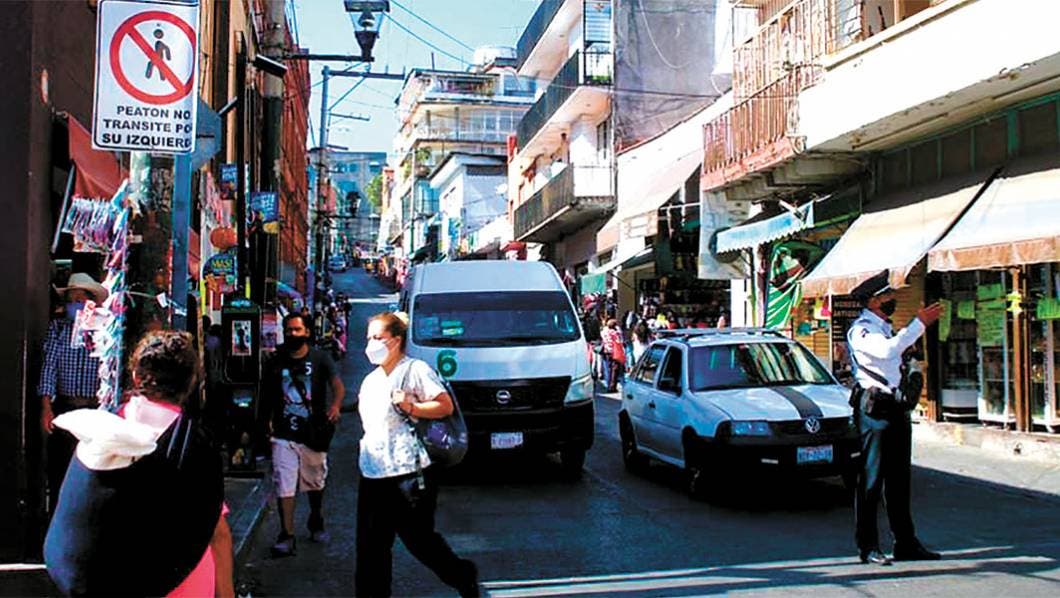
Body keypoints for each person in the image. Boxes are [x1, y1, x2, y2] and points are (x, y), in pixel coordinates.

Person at [44, 331, 232, 597]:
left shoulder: (103, 427)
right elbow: (217, 532)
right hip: (175, 584)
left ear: (135, 376)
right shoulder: (191, 444)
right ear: (191, 382)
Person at [355, 312, 479, 597]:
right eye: (368, 338)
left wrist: (411, 406)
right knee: (370, 548)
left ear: (396, 341)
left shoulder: (415, 370)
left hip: (408, 474)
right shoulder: (371, 380)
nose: (371, 344)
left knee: (419, 541)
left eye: (378, 338)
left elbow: (445, 406)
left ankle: (461, 575)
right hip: (373, 473)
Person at [846, 270, 943, 566]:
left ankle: (906, 542)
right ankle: (868, 545)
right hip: (874, 411)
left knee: (900, 480)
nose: (892, 300)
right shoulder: (861, 330)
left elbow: (896, 355)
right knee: (872, 479)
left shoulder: (887, 328)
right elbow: (887, 352)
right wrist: (919, 324)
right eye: (887, 296)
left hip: (896, 407)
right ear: (873, 301)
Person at [262, 313, 345, 556]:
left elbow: (337, 384)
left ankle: (315, 518)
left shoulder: (320, 358)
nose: (293, 334)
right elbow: (266, 394)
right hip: (283, 434)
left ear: (307, 332)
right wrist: (263, 423)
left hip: (313, 433)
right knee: (284, 485)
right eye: (289, 330)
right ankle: (286, 534)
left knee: (314, 482)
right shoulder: (275, 360)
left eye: (297, 330)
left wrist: (336, 405)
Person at [38, 272, 107, 514]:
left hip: (93, 409)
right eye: (71, 300)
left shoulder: (103, 333)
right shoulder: (58, 329)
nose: (75, 305)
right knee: (60, 468)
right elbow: (50, 367)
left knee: (90, 471)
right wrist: (46, 406)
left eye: (80, 299)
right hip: (66, 408)